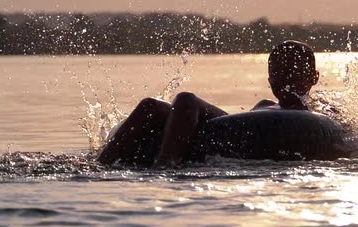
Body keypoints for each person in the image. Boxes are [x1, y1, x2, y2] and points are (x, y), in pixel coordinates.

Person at [97, 40, 319, 167]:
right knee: (150, 106)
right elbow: (232, 128)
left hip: (245, 136)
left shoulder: (322, 112)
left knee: (185, 99)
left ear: (314, 78)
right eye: (277, 72)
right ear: (269, 79)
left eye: (293, 71)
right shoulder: (265, 104)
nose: (284, 78)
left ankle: (164, 165)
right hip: (227, 130)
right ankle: (98, 165)